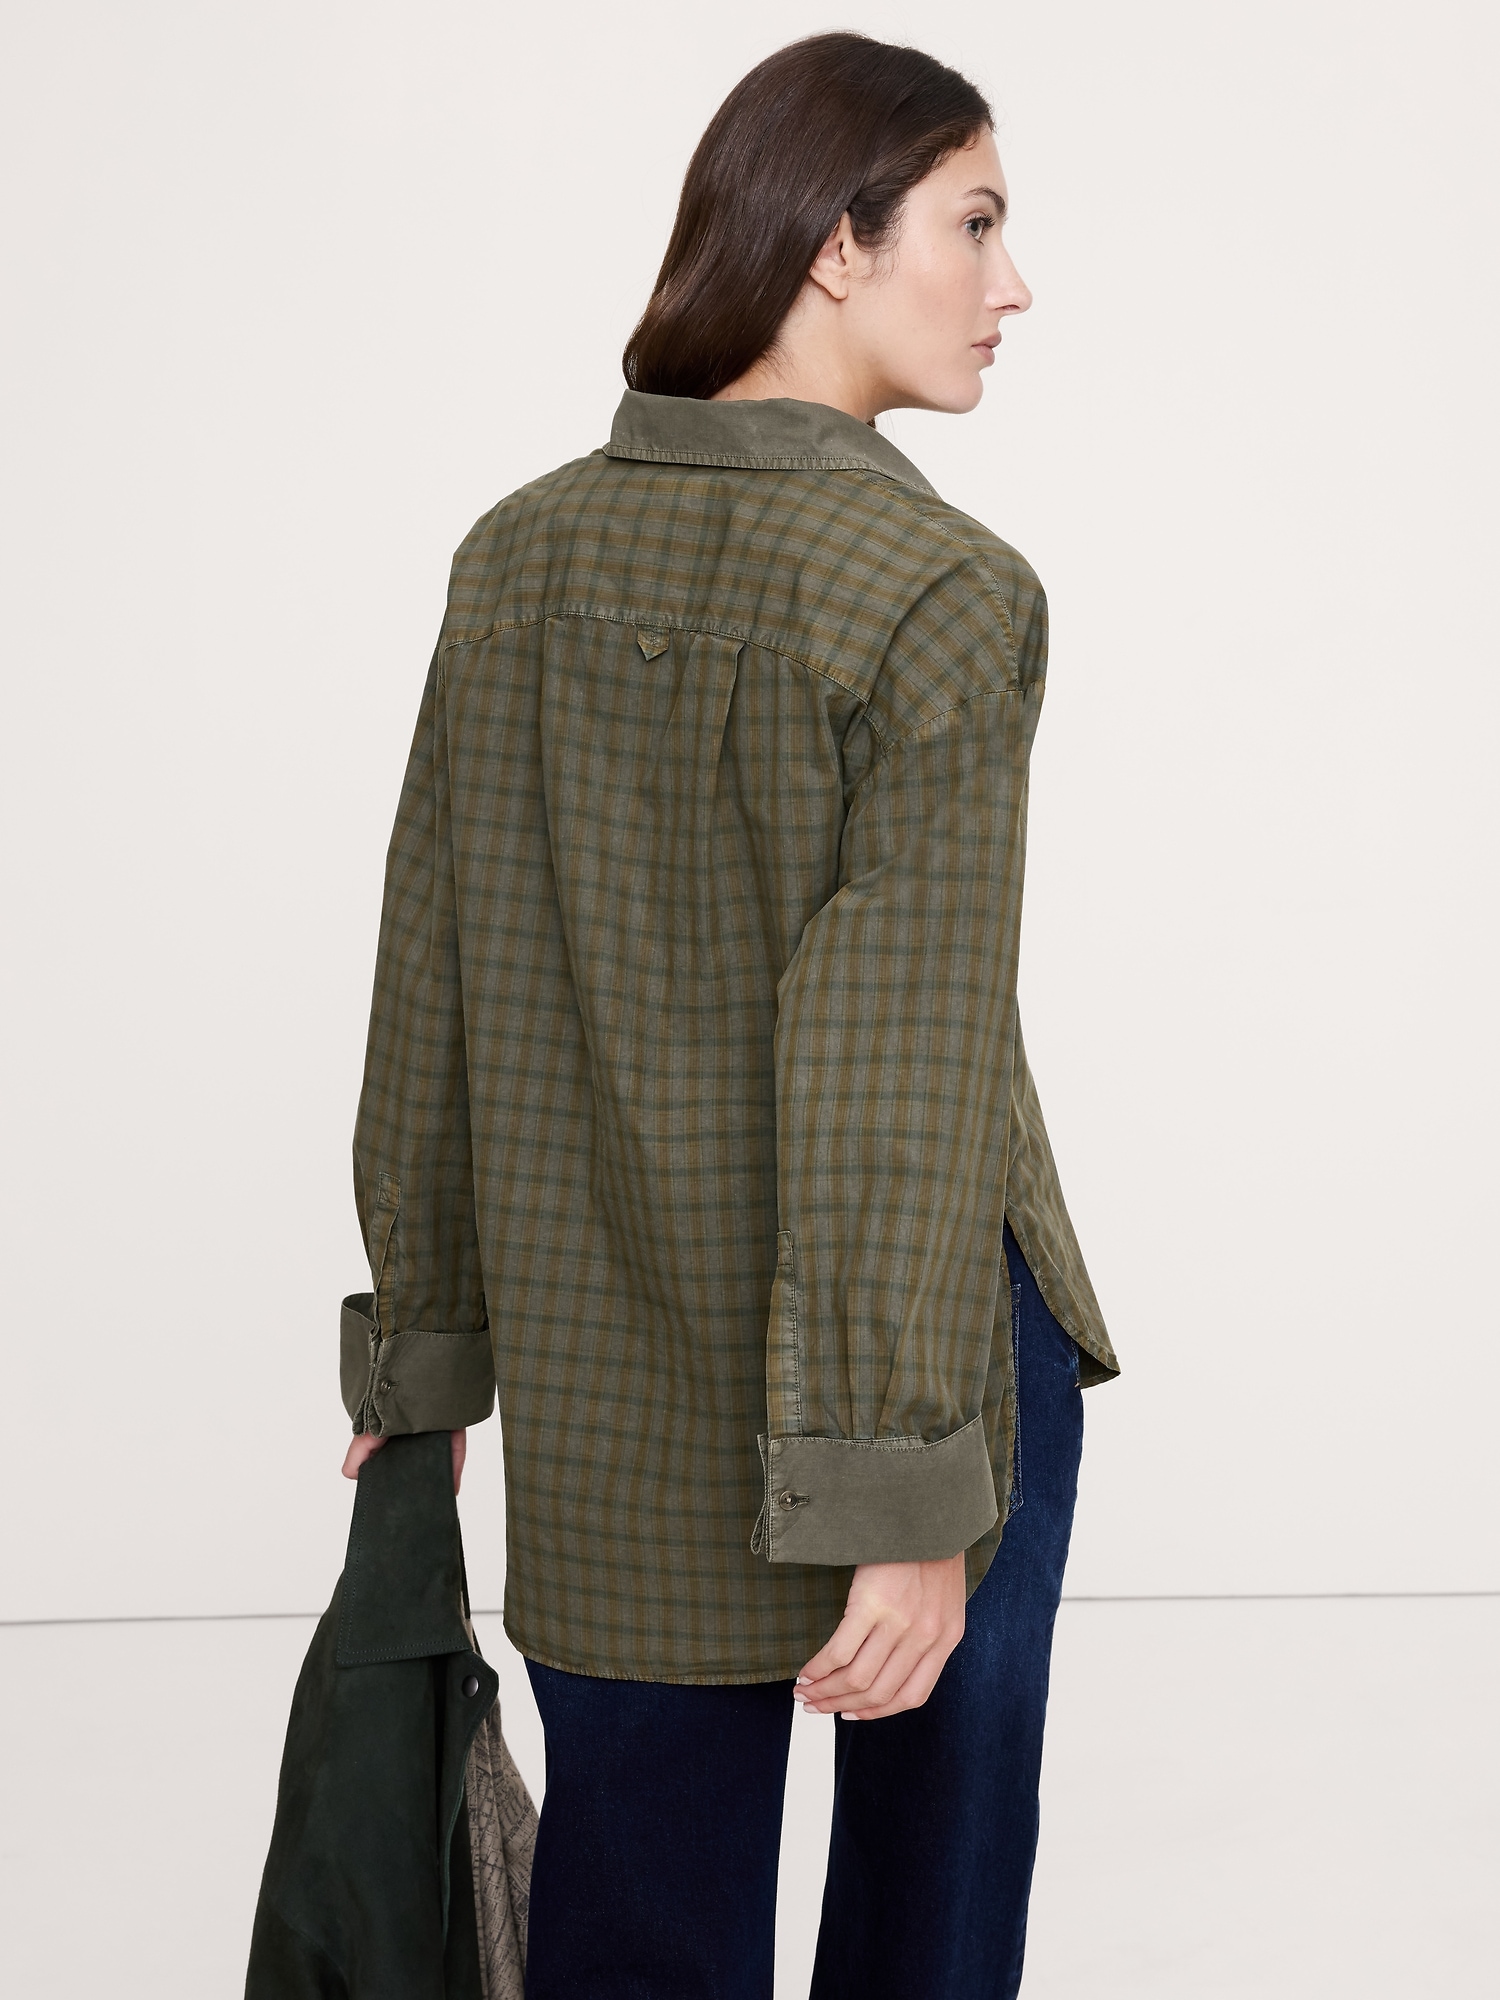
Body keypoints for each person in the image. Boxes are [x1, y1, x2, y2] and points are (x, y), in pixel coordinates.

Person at [339, 31, 1117, 1999]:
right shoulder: (939, 590)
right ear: (835, 243)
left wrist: (424, 1365)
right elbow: (892, 1077)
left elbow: (432, 985)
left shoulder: (512, 559)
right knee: (928, 1924)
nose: (1015, 284)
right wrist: (903, 1491)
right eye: (976, 224)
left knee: (636, 1927)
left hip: (606, 1360)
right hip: (921, 1368)